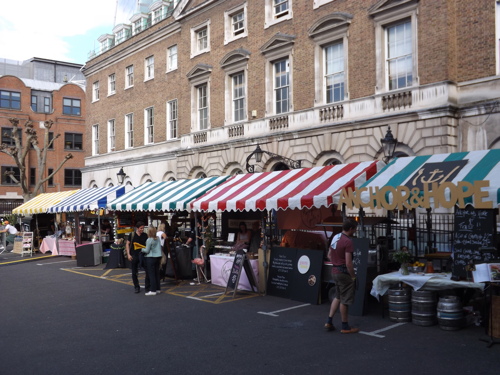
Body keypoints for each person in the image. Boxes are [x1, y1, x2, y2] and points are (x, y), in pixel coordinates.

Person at [324, 218, 359, 334]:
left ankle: (329, 321)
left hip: (334, 271)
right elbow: (349, 263)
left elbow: (329, 255)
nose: (355, 231)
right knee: (345, 300)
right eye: (355, 229)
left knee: (338, 296)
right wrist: (353, 277)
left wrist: (336, 261)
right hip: (343, 273)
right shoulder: (348, 241)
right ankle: (345, 326)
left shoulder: (336, 237)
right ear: (350, 229)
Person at [125, 221, 148, 294]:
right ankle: (136, 287)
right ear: (137, 228)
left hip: (143, 255)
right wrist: (128, 254)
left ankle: (147, 286)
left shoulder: (145, 235)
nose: (142, 230)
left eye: (143, 228)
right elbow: (127, 244)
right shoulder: (132, 235)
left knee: (147, 271)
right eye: (141, 228)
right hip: (134, 255)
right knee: (134, 272)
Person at [142, 226, 162, 296]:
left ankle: (153, 290)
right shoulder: (158, 238)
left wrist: (142, 249)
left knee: (151, 274)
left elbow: (147, 250)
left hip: (150, 257)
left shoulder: (149, 240)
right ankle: (158, 288)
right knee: (157, 273)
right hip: (158, 257)